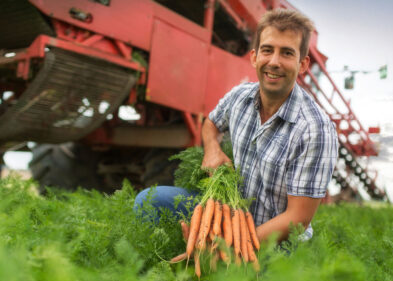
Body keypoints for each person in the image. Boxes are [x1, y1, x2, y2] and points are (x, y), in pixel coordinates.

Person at [135, 8, 338, 243]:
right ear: (254, 57)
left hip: (278, 239)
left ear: (302, 64)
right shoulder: (239, 97)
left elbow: (298, 218)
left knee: (263, 270)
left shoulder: (316, 129)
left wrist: (233, 247)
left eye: (287, 53)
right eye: (267, 50)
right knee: (148, 201)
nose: (274, 62)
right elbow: (211, 123)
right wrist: (212, 149)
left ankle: (228, 259)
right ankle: (179, 254)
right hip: (228, 214)